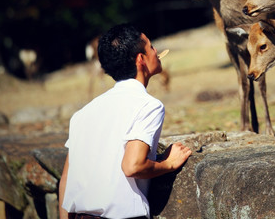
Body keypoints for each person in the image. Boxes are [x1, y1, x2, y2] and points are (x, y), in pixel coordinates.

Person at [59, 23, 192, 219]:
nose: (156, 52)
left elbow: (66, 180)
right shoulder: (148, 106)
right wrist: (168, 164)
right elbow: (133, 165)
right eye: (151, 47)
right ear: (141, 59)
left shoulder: (83, 114)